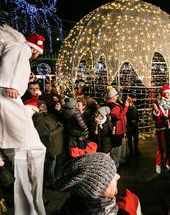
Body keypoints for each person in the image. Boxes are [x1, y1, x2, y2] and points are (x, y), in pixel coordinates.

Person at [0, 24, 46, 214]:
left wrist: (22, 81)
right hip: (8, 99)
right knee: (33, 146)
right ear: (36, 49)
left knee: (26, 149)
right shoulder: (21, 49)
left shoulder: (22, 52)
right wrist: (7, 84)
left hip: (11, 99)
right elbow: (8, 65)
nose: (37, 56)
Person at [55, 152, 142, 215]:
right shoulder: (124, 210)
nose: (118, 176)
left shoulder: (70, 207)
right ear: (96, 188)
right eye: (110, 176)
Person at [152, 84, 170, 174]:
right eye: (166, 93)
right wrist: (156, 113)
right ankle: (158, 164)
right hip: (161, 127)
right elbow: (155, 118)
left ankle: (168, 163)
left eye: (168, 93)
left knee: (169, 146)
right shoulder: (157, 103)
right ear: (162, 94)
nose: (167, 94)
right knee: (161, 147)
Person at [103, 87, 129, 171]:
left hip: (117, 130)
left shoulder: (110, 104)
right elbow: (118, 116)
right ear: (113, 97)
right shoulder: (113, 106)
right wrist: (125, 108)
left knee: (118, 147)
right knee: (116, 148)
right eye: (116, 95)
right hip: (116, 130)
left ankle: (117, 163)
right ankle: (115, 166)